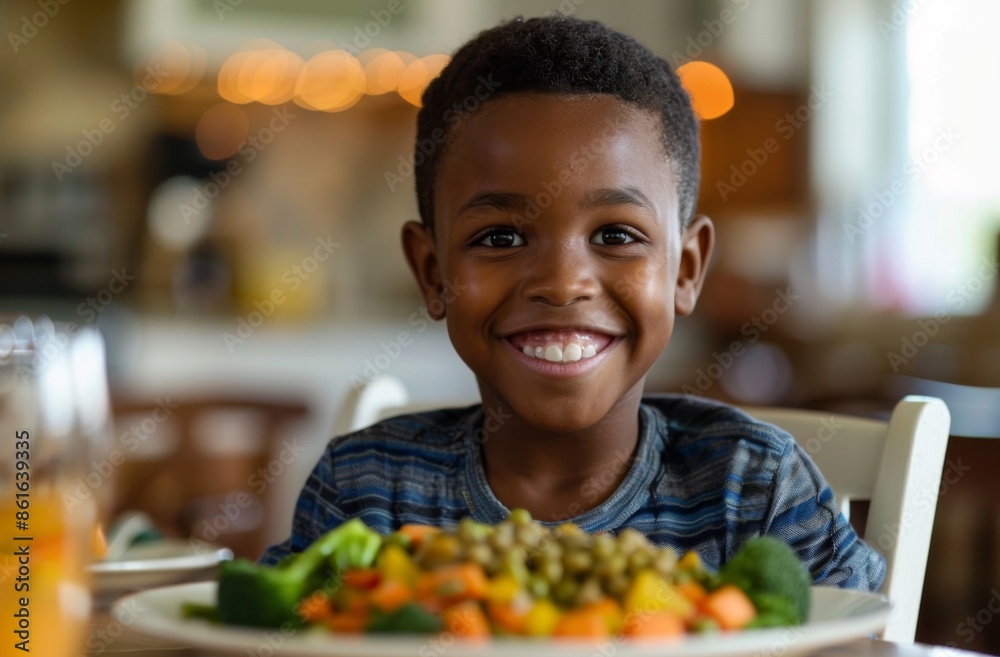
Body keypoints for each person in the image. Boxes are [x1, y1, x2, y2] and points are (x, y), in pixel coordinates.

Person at [261, 15, 885, 592]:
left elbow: (856, 649)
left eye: (616, 236)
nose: (562, 283)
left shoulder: (753, 489)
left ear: (685, 270)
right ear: (433, 273)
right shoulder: (366, 488)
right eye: (500, 237)